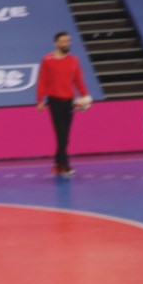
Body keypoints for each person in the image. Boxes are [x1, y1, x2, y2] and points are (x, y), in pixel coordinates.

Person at [36, 31, 90, 177]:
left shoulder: (74, 60)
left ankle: (57, 164)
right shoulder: (47, 60)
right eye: (63, 41)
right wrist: (40, 100)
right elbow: (43, 81)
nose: (67, 44)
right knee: (61, 135)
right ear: (56, 43)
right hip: (54, 102)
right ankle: (65, 166)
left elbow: (78, 80)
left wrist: (85, 96)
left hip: (69, 102)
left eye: (68, 41)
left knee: (65, 136)